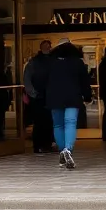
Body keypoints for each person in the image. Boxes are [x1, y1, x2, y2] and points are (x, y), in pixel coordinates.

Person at [44, 37, 92, 170]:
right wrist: (87, 96)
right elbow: (85, 82)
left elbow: (43, 81)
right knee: (70, 122)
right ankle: (68, 150)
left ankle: (62, 150)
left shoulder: (50, 62)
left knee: (58, 125)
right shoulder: (78, 62)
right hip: (72, 96)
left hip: (54, 98)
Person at [23, 40, 55, 153]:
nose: (48, 48)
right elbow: (27, 79)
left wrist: (33, 94)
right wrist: (33, 93)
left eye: (49, 46)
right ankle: (42, 145)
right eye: (47, 46)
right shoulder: (39, 61)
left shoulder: (35, 61)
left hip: (42, 96)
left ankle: (42, 145)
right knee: (43, 121)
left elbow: (27, 78)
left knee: (43, 121)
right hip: (43, 96)